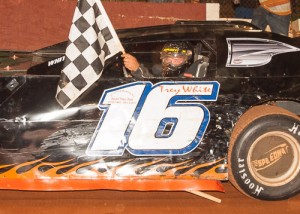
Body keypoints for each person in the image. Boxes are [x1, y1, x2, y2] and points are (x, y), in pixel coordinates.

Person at [122, 42, 193, 78]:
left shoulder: (190, 79)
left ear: (186, 61)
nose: (172, 62)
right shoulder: (158, 71)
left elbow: (158, 90)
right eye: (168, 58)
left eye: (177, 60)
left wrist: (137, 69)